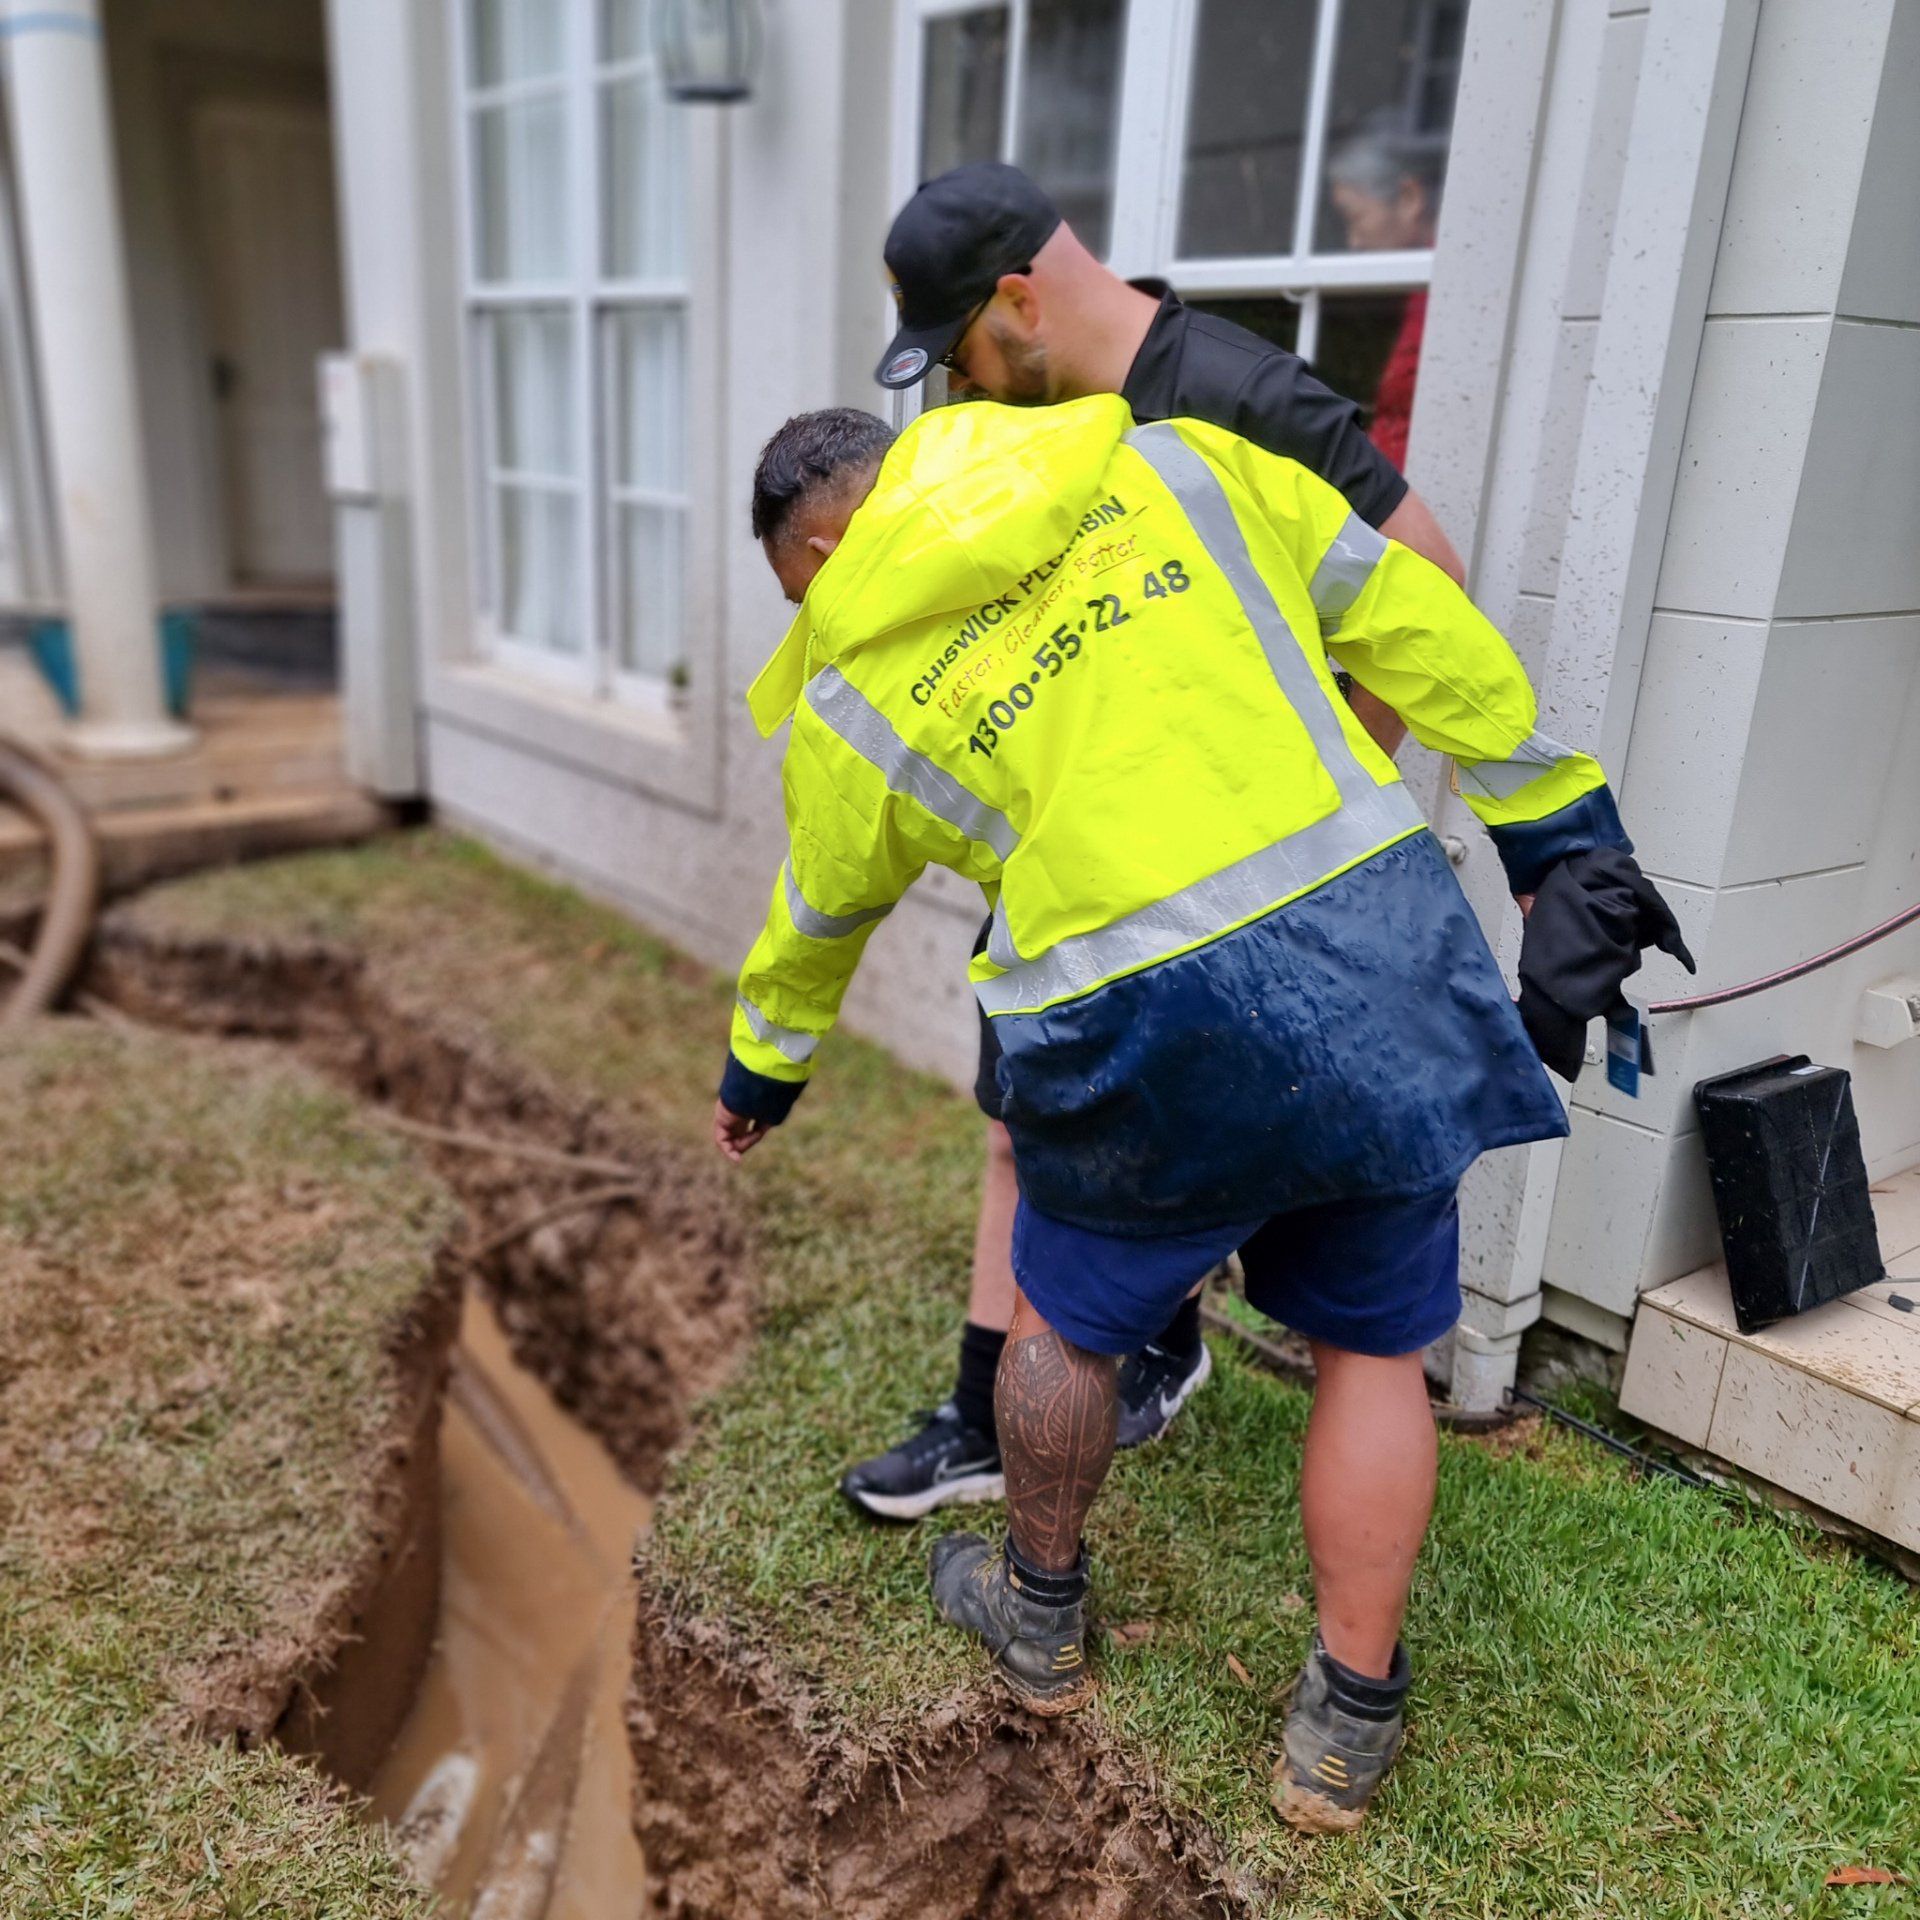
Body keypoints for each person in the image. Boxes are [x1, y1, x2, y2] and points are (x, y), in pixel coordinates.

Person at [715, 399, 1687, 1830]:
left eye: (804, 588)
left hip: (1132, 1030)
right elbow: (1401, 611)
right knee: (1372, 1346)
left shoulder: (856, 684)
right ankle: (1343, 1727)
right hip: (1361, 959)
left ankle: (1039, 1620)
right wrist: (1553, 823)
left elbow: (818, 909)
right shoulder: (1171, 466)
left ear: (824, 537)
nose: (818, 611)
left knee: (1067, 1322)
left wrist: (764, 1068)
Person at [838, 161, 1471, 1523]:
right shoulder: (1044, 417)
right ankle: (990, 1413)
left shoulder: (1231, 390)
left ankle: (1107, 1379)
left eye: (959, 354)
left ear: (1021, 299)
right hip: (1079, 863)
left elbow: (1424, 570)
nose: (957, 391)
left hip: (1235, 891)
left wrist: (1327, 794)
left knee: (1156, 1161)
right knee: (1020, 1128)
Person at [1325, 128, 1446, 468]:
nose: (1354, 242)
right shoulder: (1418, 292)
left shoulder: (1447, 297)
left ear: (1409, 198)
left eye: (1356, 218)